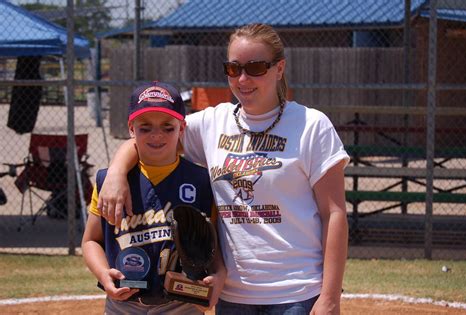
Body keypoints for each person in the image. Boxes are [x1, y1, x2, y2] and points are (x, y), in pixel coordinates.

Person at [98, 23, 349, 315]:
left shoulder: (311, 125)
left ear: (279, 68)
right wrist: (116, 172)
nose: (243, 79)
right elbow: (153, 136)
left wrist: (330, 296)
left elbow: (335, 214)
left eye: (255, 67)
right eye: (233, 68)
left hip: (296, 291)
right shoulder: (212, 123)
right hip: (234, 294)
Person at [81, 81, 226, 314]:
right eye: (145, 127)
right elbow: (90, 241)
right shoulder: (110, 182)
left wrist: (219, 273)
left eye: (168, 127)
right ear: (131, 128)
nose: (156, 135)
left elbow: (212, 244)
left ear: (182, 128)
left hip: (182, 303)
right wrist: (102, 274)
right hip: (123, 303)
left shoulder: (201, 181)